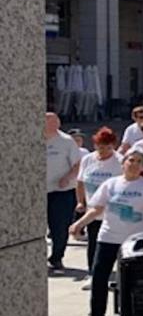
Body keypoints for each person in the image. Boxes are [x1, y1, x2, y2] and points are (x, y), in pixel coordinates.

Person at [70, 150, 143, 316]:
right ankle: (96, 315)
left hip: (134, 240)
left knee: (133, 279)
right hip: (108, 237)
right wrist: (79, 224)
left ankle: (132, 315)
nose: (133, 164)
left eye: (138, 162)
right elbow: (96, 209)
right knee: (99, 276)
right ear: (123, 163)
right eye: (130, 160)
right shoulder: (110, 184)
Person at [75, 127, 121, 283]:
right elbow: (80, 182)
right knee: (93, 242)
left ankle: (117, 273)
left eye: (108, 147)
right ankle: (93, 273)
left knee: (113, 243)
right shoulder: (88, 159)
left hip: (113, 211)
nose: (104, 151)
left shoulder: (120, 161)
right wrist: (81, 201)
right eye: (100, 147)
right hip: (92, 210)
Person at [46, 113, 82, 272]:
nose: (52, 125)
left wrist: (67, 177)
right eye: (48, 122)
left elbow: (77, 164)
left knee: (59, 227)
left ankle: (56, 257)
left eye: (54, 122)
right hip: (39, 192)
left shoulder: (67, 141)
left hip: (62, 191)